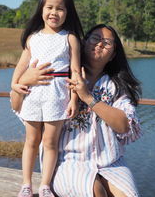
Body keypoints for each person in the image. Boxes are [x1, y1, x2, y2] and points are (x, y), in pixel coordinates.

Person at [11, 24, 142, 197]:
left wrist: (88, 97)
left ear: (113, 55)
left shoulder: (116, 87)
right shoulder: (60, 77)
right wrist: (24, 81)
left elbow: (124, 126)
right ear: (83, 43)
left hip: (111, 162)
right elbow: (17, 106)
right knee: (95, 191)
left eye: (107, 42)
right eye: (95, 38)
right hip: (67, 162)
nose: (100, 44)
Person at [11, 0, 84, 197]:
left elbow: (75, 72)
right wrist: (15, 84)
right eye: (49, 7)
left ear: (67, 13)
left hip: (57, 96)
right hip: (33, 96)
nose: (54, 13)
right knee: (31, 141)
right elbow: (21, 66)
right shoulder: (33, 38)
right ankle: (26, 184)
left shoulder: (70, 38)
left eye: (60, 9)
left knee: (50, 143)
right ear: (41, 9)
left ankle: (44, 185)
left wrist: (73, 99)